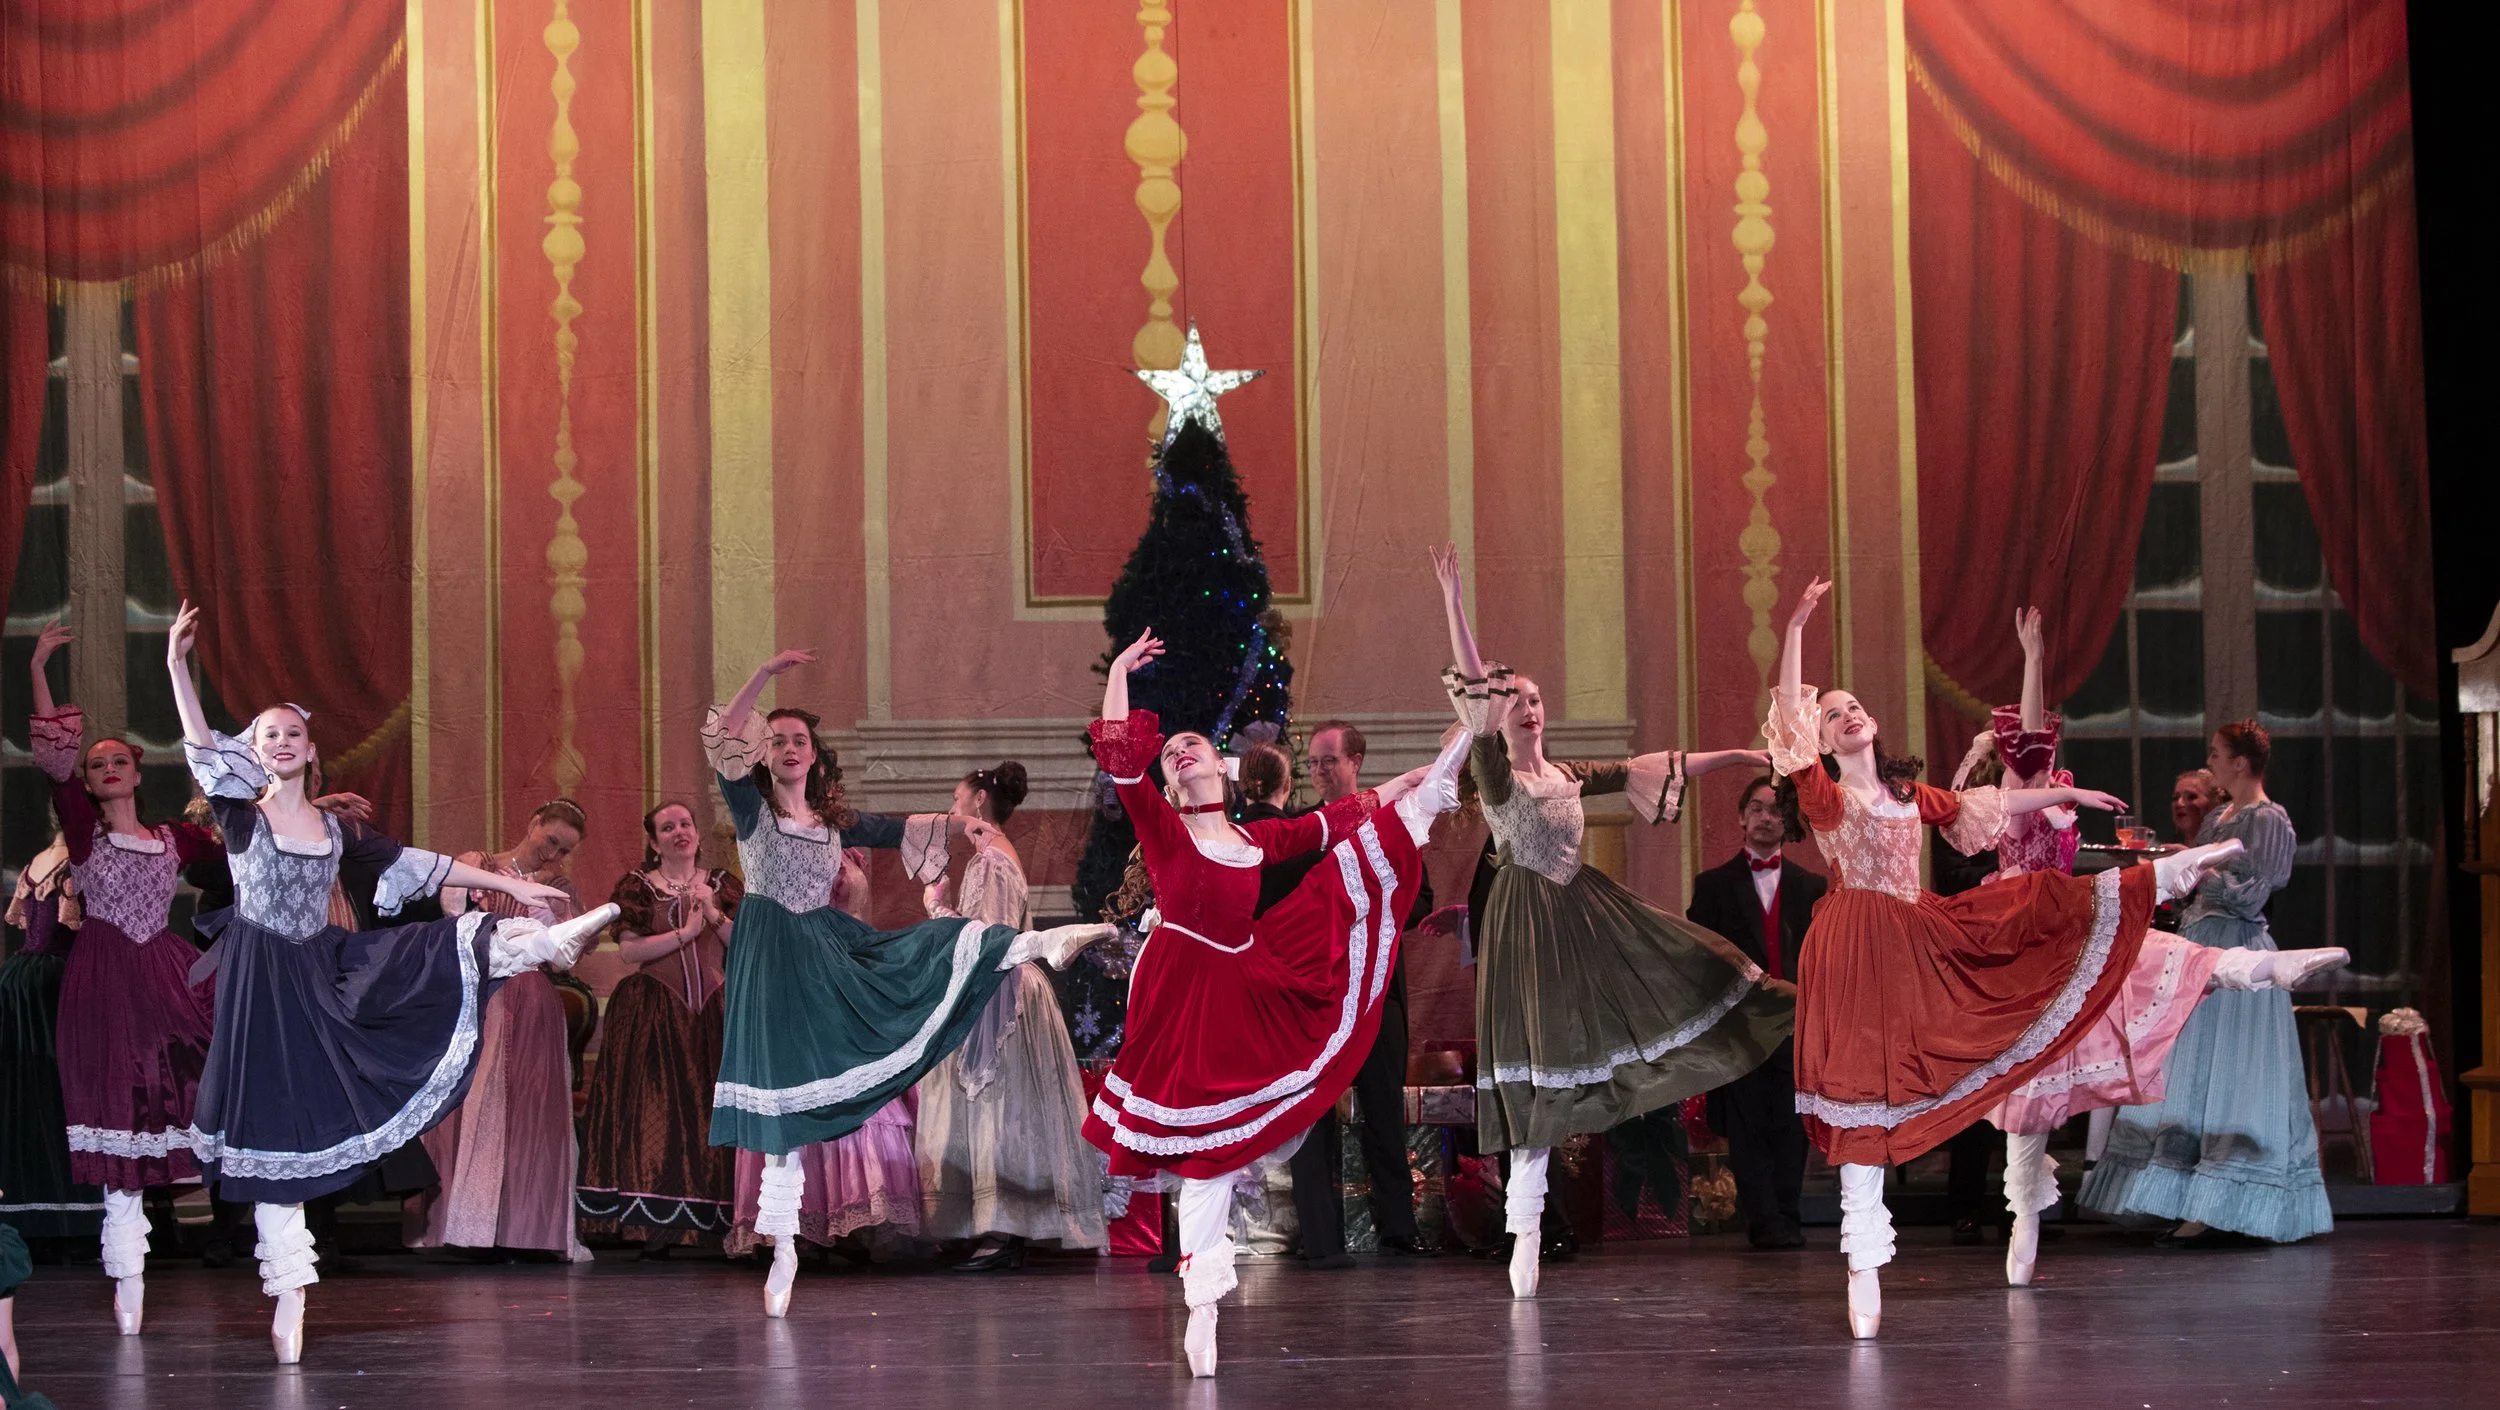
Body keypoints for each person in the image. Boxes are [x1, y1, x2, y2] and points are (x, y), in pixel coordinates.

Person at [1765, 580, 2339, 1336]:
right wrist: (1797, 627)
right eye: (1831, 711)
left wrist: (2083, 794)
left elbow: (1997, 805)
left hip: (1919, 936)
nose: (1846, 715)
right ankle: (1864, 1260)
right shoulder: (1829, 798)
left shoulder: (1911, 795)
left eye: (1851, 705)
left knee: (2045, 910)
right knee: (1864, 1093)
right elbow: (1790, 723)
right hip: (1857, 948)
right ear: (1823, 733)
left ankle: (2196, 909)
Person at [165, 602, 615, 1362]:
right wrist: (178, 667)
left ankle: (535, 938)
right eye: (267, 733)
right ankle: (287, 1289)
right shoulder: (241, 818)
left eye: (293, 733)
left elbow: (419, 865)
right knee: (268, 1123)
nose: (280, 742)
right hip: (262, 977)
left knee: (425, 950)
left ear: (311, 752)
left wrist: (522, 886)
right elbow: (201, 748)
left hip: (321, 963)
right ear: (255, 750)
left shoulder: (337, 830)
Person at [1084, 628, 1464, 1377]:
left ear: (1219, 768)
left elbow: (1340, 821)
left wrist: (1413, 784)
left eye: (1191, 744)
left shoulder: (1257, 840)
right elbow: (1123, 754)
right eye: (1173, 752)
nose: (1180, 751)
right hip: (1178, 994)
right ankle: (1199, 1294)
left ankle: (1202, 1297)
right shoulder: (1164, 831)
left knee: (1216, 1159)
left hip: (1242, 986)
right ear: (1170, 779)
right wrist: (1123, 671)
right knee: (1194, 1154)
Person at [704, 650, 1111, 1318]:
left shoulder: (833, 821)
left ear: (813, 756)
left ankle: (1039, 942)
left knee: (930, 940)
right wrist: (765, 677)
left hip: (825, 946)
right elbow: (721, 734)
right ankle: (783, 1249)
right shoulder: (750, 809)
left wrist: (961, 825)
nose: (787, 747)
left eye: (798, 739)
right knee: (781, 1101)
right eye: (775, 740)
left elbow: (894, 829)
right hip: (772, 952)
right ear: (764, 755)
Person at [1431, 544, 1790, 1299]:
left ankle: (1764, 1002)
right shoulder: (1497, 770)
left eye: (1534, 698)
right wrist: (1456, 606)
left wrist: (1740, 754)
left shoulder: (1569, 775)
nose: (1528, 706)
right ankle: (1524, 1234)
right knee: (1533, 1075)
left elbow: (1660, 763)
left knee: (1685, 960)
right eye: (1516, 698)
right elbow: (1471, 688)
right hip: (1528, 920)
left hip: (1582, 915)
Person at [22, 620, 225, 1333]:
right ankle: (128, 1287)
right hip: (107, 975)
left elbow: (244, 821)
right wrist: (40, 666)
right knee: (115, 1105)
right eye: (97, 764)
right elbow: (54, 754)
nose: (106, 769)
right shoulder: (84, 833)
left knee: (199, 1074)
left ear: (139, 773)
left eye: (118, 762)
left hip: (163, 974)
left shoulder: (175, 836)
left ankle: (238, 1215)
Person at [2081, 721, 2339, 1247]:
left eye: (2218, 755)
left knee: (2232, 1080)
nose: (2213, 761)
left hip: (2238, 950)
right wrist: (2179, 862)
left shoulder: (2268, 817)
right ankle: (2178, 1198)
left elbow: (2251, 895)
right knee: (2188, 1079)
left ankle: (2219, 1205)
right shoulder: (2222, 815)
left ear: (2241, 763)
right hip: (2200, 948)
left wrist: (2198, 868)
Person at [913, 762, 1108, 1269]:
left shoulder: (991, 862)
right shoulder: (993, 857)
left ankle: (1002, 1228)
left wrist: (938, 906)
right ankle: (988, 1225)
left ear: (979, 801)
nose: (954, 809)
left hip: (1002, 994)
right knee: (995, 1108)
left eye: (958, 799)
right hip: (1002, 988)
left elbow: (990, 939)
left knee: (999, 1108)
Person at [1276, 721, 1438, 1267]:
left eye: (1329, 761)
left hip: (1376, 994)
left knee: (1383, 1111)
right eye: (1313, 764)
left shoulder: (1389, 823)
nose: (1319, 772)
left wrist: (1366, 911)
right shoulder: (1306, 828)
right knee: (1311, 1114)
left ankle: (1398, 1228)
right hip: (1316, 997)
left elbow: (1422, 897)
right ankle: (1319, 1236)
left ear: (1357, 762)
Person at [407, 800, 592, 1262]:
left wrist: (553, 917)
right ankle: (465, 1227)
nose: (554, 856)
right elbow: (449, 923)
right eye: (551, 841)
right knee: (470, 1101)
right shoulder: (480, 865)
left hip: (531, 1002)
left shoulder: (560, 887)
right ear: (532, 823)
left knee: (529, 1108)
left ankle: (523, 1228)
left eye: (564, 850)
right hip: (478, 992)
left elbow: (562, 957)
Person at [576, 802, 742, 1255]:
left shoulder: (722, 885)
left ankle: (717, 1221)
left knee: (712, 1111)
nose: (679, 832)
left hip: (712, 1010)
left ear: (697, 833)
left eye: (685, 824)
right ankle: (654, 1226)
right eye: (667, 828)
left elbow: (743, 946)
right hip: (653, 1010)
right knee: (658, 1111)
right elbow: (630, 953)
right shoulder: (637, 886)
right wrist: (686, 933)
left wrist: (713, 916)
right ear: (654, 842)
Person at [1689, 775, 1825, 1250]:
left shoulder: (1812, 887)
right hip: (1742, 1026)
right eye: (1758, 808)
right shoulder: (1713, 887)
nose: (1767, 817)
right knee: (1747, 1125)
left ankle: (1787, 1214)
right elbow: (1700, 960)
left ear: (1789, 822)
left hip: (1795, 1023)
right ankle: (1764, 1221)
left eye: (1776, 810)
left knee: (1792, 1124)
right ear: (1742, 817)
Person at [0, 843, 94, 1252]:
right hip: (56, 985)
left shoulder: (38, 859)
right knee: (59, 1096)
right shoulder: (77, 860)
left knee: (33, 1098)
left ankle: (38, 1217)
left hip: (19, 980)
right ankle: (71, 1218)